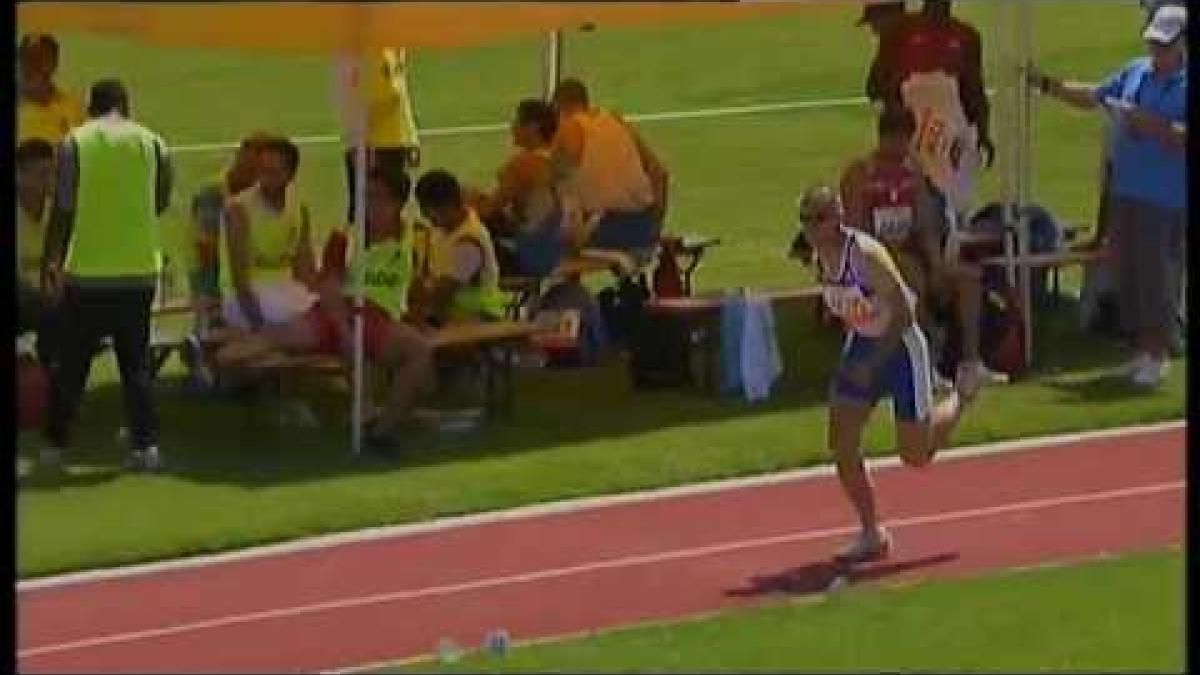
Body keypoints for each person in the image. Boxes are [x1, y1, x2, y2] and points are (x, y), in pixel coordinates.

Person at [794, 184, 966, 561]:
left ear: (837, 217)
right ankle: (871, 531)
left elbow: (905, 310)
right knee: (841, 441)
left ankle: (961, 396)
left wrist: (874, 362)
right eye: (806, 220)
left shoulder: (866, 254)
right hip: (863, 342)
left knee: (915, 455)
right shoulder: (818, 256)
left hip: (900, 346)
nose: (811, 228)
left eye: (818, 219)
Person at [215, 166, 436, 446]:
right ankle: (218, 357)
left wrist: (416, 318)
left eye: (379, 198)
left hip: (378, 318)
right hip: (340, 313)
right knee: (253, 349)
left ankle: (382, 427)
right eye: (367, 196)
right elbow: (328, 286)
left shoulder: (414, 236)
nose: (371, 205)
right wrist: (344, 329)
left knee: (419, 355)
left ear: (398, 202)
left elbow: (416, 283)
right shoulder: (345, 237)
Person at [1029, 4, 1186, 389]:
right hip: (1126, 191)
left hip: (1164, 197)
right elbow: (1095, 96)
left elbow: (1181, 135)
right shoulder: (1135, 72)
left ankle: (1158, 352)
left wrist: (1146, 123)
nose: (1157, 53)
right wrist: (1048, 85)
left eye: (1164, 46)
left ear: (1182, 44)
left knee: (1157, 277)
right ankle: (1139, 350)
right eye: (1153, 44)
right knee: (1128, 273)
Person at [40, 78, 173, 473]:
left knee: (73, 361)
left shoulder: (75, 143)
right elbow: (160, 201)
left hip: (88, 272)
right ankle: (145, 446)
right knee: (135, 364)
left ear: (90, 107)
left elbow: (63, 207)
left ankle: (55, 445)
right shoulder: (154, 143)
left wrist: (52, 259)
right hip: (139, 270)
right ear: (126, 105)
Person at [840, 106, 990, 397]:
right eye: (894, 140)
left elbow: (923, 223)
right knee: (911, 280)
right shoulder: (860, 173)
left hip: (912, 252)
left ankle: (970, 363)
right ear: (883, 137)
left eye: (904, 141)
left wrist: (936, 263)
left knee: (968, 278)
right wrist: (890, 259)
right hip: (873, 259)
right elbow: (857, 233)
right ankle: (925, 364)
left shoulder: (912, 170)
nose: (900, 148)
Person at [865, 0, 995, 218]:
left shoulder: (966, 36)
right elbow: (875, 85)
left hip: (953, 129)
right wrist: (899, 114)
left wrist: (983, 131)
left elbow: (974, 87)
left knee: (955, 197)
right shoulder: (900, 34)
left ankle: (953, 234)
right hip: (911, 129)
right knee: (914, 193)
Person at [551, 78, 670, 255]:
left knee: (541, 240)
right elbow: (660, 173)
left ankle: (565, 282)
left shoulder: (568, 129)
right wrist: (655, 225)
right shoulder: (615, 121)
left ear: (558, 108)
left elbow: (548, 184)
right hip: (643, 226)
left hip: (604, 228)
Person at [219, 136, 319, 335]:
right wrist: (259, 326)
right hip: (245, 299)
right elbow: (241, 282)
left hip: (287, 291)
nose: (265, 179)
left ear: (290, 174)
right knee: (299, 323)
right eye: (263, 171)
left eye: (273, 173)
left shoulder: (299, 209)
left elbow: (305, 270)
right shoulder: (239, 210)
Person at [469, 98, 567, 278]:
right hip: (562, 251)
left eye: (517, 122)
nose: (512, 127)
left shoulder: (524, 165)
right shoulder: (562, 160)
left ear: (533, 127)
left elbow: (487, 211)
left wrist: (469, 200)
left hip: (531, 257)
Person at [412, 169, 507, 325]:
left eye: (428, 211)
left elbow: (442, 293)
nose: (425, 217)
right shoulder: (443, 230)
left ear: (447, 205)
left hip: (477, 317)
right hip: (449, 313)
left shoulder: (469, 242)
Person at [340, 48, 421, 223]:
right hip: (392, 139)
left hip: (378, 143)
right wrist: (411, 137)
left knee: (371, 211)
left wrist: (358, 141)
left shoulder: (373, 51)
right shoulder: (392, 46)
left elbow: (388, 95)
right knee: (384, 209)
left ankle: (365, 249)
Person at [16, 139, 61, 369]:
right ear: (20, 175)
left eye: (52, 173)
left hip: (47, 304)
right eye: (43, 174)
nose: (51, 181)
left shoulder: (57, 213)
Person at [17, 34, 85, 146]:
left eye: (43, 59)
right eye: (29, 59)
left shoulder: (73, 105)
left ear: (54, 64)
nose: (36, 65)